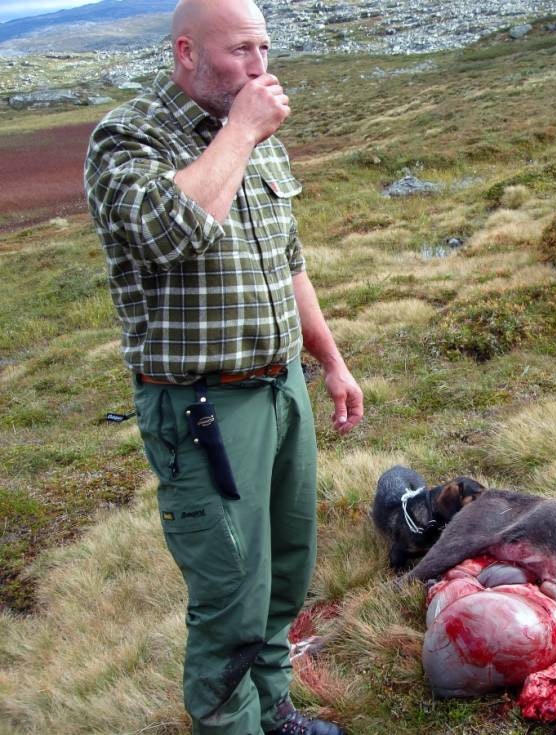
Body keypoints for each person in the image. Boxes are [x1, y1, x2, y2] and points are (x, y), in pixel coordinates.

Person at [84, 0, 362, 733]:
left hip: (281, 389)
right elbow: (169, 232)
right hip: (203, 408)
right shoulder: (129, 137)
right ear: (186, 52)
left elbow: (287, 260)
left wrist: (330, 361)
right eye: (242, 50)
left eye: (265, 49)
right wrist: (239, 130)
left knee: (284, 571)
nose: (260, 69)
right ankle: (229, 724)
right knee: (229, 595)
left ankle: (273, 709)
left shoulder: (259, 134)